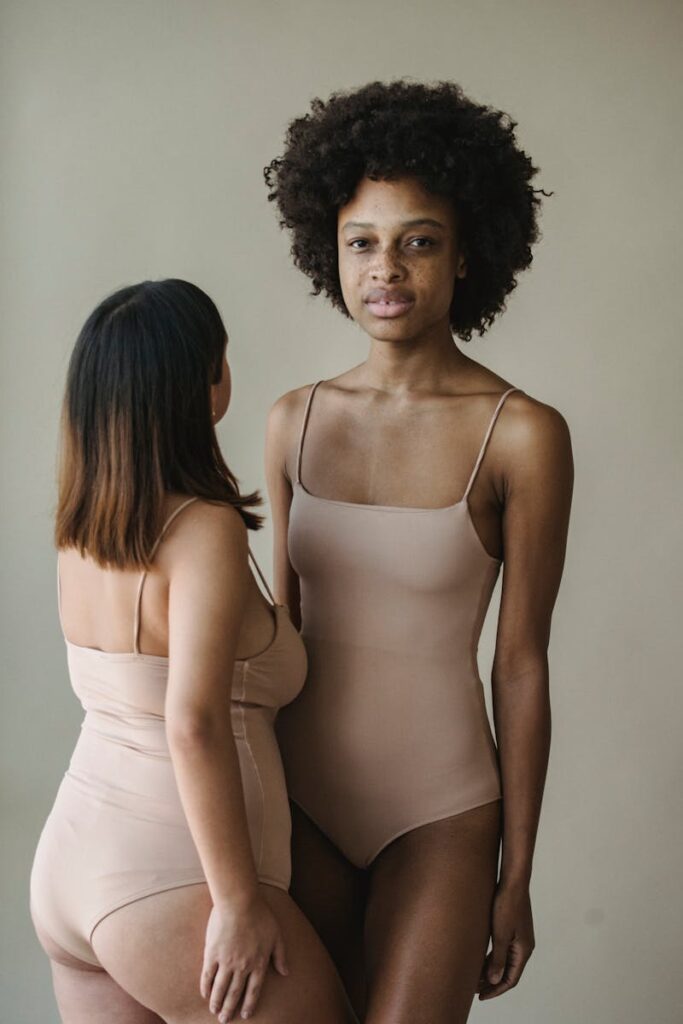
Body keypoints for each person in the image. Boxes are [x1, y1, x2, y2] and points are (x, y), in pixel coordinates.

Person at [264, 80, 574, 1023]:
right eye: (362, 241)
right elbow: (276, 645)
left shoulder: (521, 434)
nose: (385, 268)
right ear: (332, 252)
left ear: (467, 253)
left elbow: (517, 667)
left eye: (418, 240)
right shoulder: (292, 421)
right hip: (296, 804)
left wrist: (515, 872)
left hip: (439, 812)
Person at [30, 280, 354, 1024]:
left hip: (72, 870)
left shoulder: (82, 531)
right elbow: (194, 721)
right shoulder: (203, 530)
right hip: (171, 874)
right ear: (202, 383)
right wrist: (238, 903)